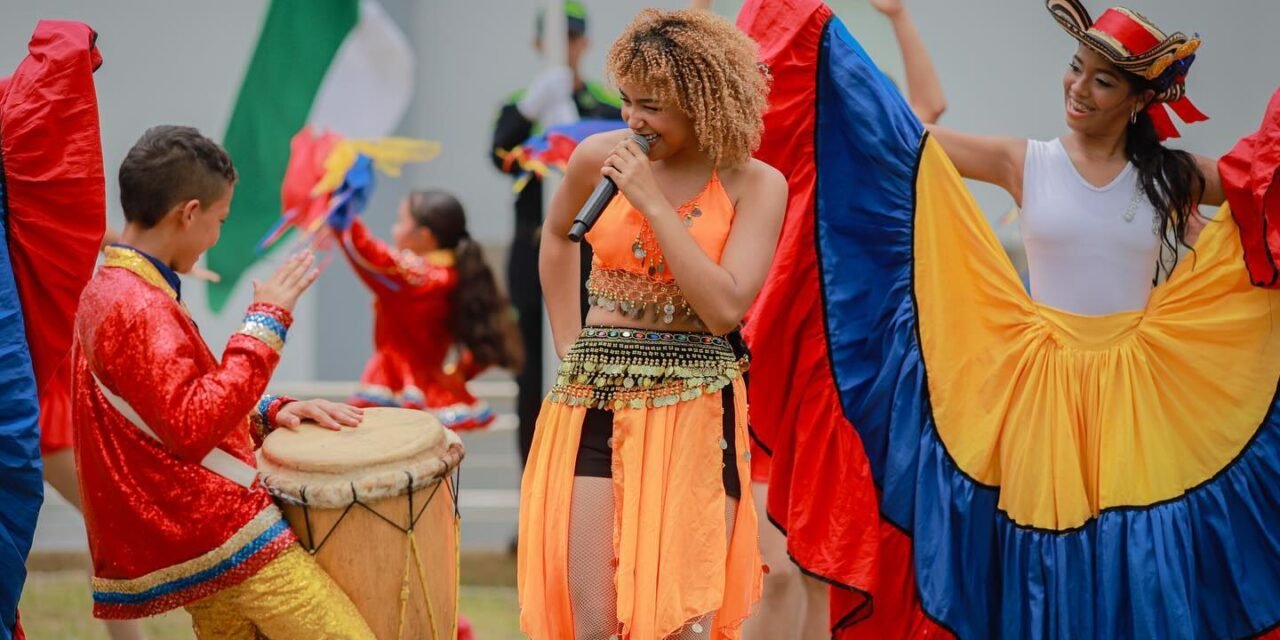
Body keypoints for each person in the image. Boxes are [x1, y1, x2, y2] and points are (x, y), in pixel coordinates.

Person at [741, 0, 1280, 636]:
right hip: (1039, 384)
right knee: (1039, 551)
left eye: (1101, 80)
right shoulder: (1025, 161)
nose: (1078, 88)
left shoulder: (1171, 176)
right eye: (1075, 69)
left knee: (1132, 550)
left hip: (1138, 388)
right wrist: (819, 52)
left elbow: (1259, 189)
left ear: (1138, 100)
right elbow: (898, 142)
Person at [518, 8, 787, 639]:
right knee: (595, 617)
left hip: (695, 406)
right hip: (597, 395)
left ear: (703, 102)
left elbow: (726, 306)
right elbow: (557, 238)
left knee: (677, 625)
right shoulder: (594, 158)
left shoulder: (756, 184)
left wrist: (649, 200)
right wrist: (566, 339)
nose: (634, 122)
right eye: (628, 103)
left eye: (654, 107)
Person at [72, 125, 377, 639]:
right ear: (188, 213)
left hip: (196, 531)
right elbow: (192, 424)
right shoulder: (139, 306)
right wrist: (267, 319)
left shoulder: (115, 288)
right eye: (219, 220)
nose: (216, 237)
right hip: (219, 529)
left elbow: (168, 404)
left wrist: (268, 410)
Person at [735, 0, 946, 637]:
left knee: (806, 564)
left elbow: (923, 121)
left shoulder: (830, 75)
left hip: (820, 346)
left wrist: (900, 18)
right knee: (777, 569)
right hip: (758, 335)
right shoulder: (771, 52)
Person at [490, 0, 623, 481]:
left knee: (602, 360)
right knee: (531, 373)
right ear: (536, 44)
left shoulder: (609, 105)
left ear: (584, 43)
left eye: (571, 37)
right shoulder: (518, 103)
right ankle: (537, 489)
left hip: (596, 251)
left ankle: (595, 482)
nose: (562, 47)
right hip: (533, 253)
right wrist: (529, 113)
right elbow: (500, 155)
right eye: (553, 38)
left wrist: (578, 122)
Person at [330, 189, 522, 430]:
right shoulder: (457, 274)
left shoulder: (417, 277)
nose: (394, 229)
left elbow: (368, 252)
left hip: (396, 381)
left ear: (424, 236)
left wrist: (343, 216)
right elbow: (485, 339)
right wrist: (455, 374)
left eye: (400, 221)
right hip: (432, 383)